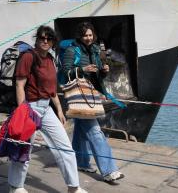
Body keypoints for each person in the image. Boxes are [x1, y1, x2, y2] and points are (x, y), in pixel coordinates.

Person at [8, 26, 87, 193]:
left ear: (53, 42)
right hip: (30, 106)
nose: (45, 41)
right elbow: (19, 85)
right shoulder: (28, 57)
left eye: (49, 39)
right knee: (24, 148)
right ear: (36, 39)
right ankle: (16, 186)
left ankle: (73, 187)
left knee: (65, 147)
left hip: (46, 108)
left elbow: (51, 88)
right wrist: (23, 112)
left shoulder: (50, 59)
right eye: (42, 38)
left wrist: (59, 109)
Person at [61, 22, 124, 184]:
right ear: (80, 37)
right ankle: (109, 171)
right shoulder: (71, 50)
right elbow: (65, 73)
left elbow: (97, 76)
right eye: (85, 35)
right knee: (95, 132)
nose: (88, 38)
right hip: (79, 95)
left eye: (90, 35)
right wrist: (83, 70)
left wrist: (103, 72)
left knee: (82, 130)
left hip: (92, 95)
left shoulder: (95, 49)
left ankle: (81, 162)